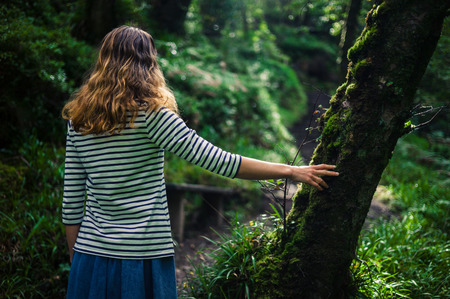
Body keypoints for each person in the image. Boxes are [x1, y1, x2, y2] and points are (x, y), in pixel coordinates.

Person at [61, 25, 339, 299]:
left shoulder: (78, 121)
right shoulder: (151, 116)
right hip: (140, 257)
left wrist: (78, 262)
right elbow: (221, 162)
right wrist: (291, 170)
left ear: (103, 61)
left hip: (90, 257)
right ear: (148, 64)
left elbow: (72, 203)